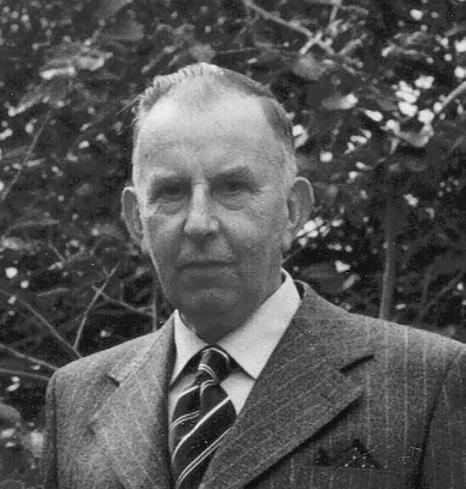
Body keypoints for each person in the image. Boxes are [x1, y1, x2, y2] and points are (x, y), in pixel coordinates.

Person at [42, 63, 466, 489]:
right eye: (171, 193)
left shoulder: (425, 382)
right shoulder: (76, 397)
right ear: (136, 220)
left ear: (293, 210)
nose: (199, 223)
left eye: (233, 189)